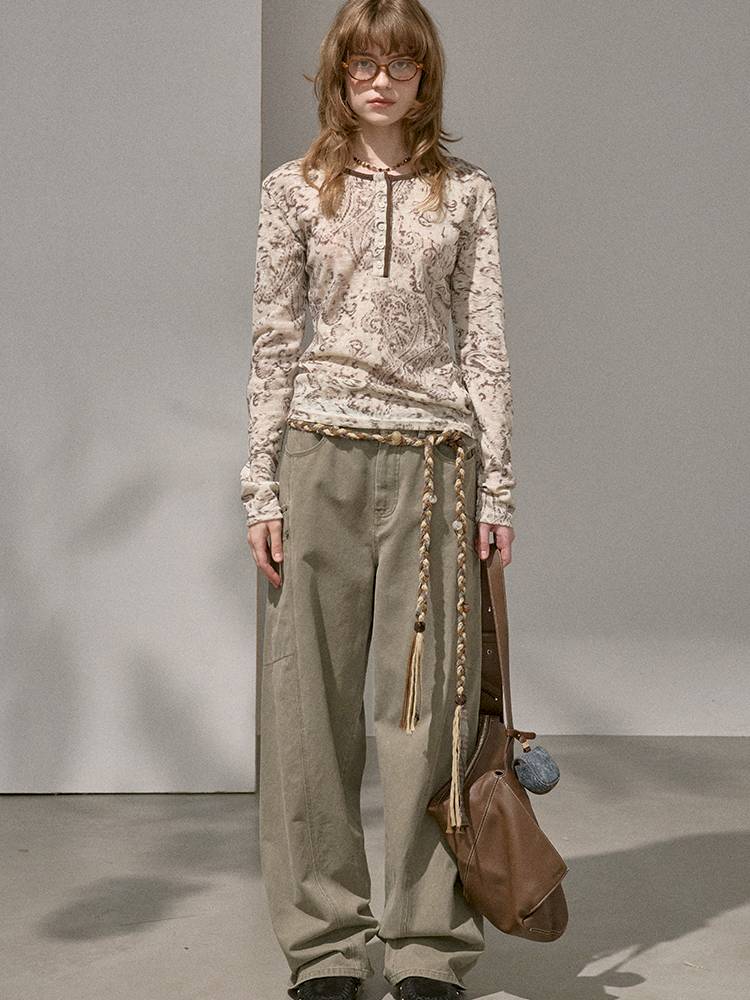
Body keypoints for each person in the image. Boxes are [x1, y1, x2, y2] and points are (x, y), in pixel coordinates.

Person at [240, 2, 516, 998]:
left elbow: (484, 341)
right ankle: (324, 947)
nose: (381, 81)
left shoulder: (467, 194)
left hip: (438, 465)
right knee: (306, 710)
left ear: (423, 76)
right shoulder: (291, 191)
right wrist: (260, 484)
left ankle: (426, 947)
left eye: (400, 64)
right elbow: (274, 338)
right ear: (339, 74)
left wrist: (499, 487)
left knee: (429, 713)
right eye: (363, 63)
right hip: (318, 457)